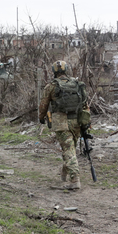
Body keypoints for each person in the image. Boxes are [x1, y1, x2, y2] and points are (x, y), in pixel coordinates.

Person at [38, 60, 89, 190]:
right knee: (71, 148)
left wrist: (41, 117)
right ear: (66, 70)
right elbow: (85, 103)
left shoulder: (51, 86)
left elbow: (43, 105)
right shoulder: (77, 84)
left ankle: (75, 179)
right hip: (77, 121)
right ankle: (64, 172)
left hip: (61, 122)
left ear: (54, 71)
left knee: (68, 150)